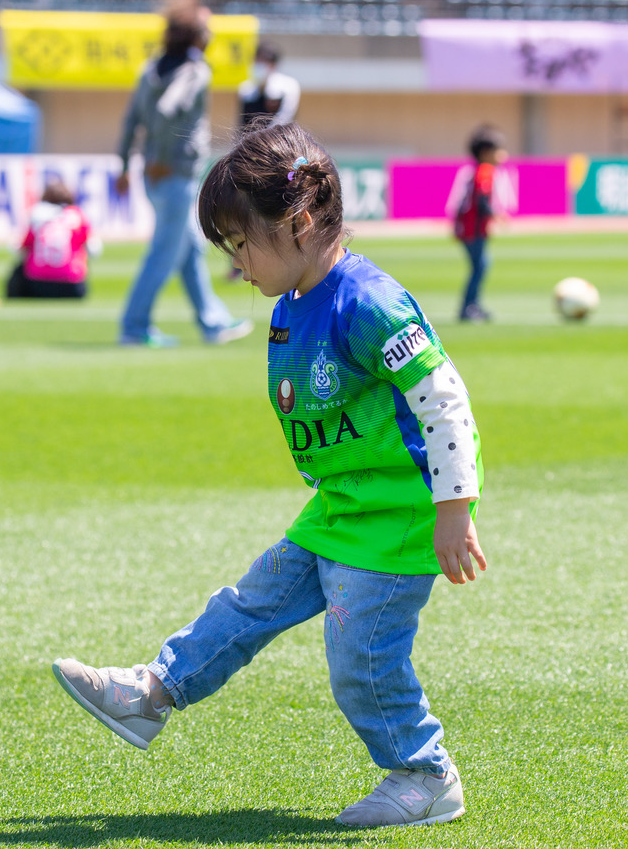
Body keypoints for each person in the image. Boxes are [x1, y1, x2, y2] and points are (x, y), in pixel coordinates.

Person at [52, 123, 486, 829]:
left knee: (360, 660)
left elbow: (443, 397)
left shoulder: (368, 301)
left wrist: (454, 506)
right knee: (248, 604)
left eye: (242, 242)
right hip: (339, 508)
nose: (236, 263)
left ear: (302, 221)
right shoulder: (290, 306)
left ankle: (425, 772)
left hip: (396, 518)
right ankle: (151, 693)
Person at [114, 0, 252, 347]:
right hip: (175, 173)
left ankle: (214, 323)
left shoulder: (149, 69)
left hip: (154, 174)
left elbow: (132, 120)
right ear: (195, 35)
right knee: (164, 253)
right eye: (206, 29)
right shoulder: (195, 71)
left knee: (191, 249)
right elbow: (166, 110)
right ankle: (134, 325)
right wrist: (161, 154)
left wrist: (126, 163)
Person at [450, 125, 509, 322]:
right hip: (472, 230)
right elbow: (482, 201)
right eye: (498, 151)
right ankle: (468, 307)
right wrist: (496, 216)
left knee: (480, 266)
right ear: (486, 153)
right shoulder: (485, 171)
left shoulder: (477, 170)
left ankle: (472, 305)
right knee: (480, 266)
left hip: (469, 228)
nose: (503, 155)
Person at [5, 180, 91, 300]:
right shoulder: (77, 215)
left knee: (20, 265)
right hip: (73, 287)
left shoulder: (37, 214)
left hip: (38, 284)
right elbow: (94, 250)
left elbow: (18, 248)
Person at [238, 40, 301, 128]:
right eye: (257, 61)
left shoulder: (288, 86)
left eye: (264, 61)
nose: (260, 65)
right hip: (252, 138)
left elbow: (286, 116)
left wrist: (267, 136)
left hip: (277, 137)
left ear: (273, 64)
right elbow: (242, 121)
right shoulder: (246, 88)